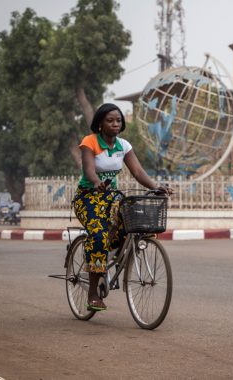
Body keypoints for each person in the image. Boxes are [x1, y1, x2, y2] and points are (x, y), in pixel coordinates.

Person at [73, 103, 172, 311]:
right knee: (99, 236)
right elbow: (89, 169)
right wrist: (96, 182)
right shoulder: (89, 142)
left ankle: (115, 261)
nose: (115, 124)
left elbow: (137, 171)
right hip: (89, 197)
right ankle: (92, 294)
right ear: (100, 123)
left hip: (111, 198)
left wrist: (156, 186)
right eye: (110, 120)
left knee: (132, 223)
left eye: (118, 120)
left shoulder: (123, 146)